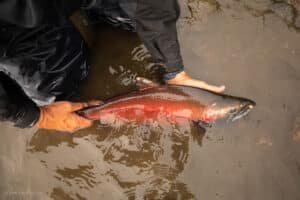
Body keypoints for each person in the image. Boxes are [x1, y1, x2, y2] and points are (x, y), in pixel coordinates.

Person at [0, 0, 225, 132]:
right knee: (62, 85)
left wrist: (173, 68)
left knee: (136, 14)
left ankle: (97, 12)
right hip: (12, 24)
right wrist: (36, 116)